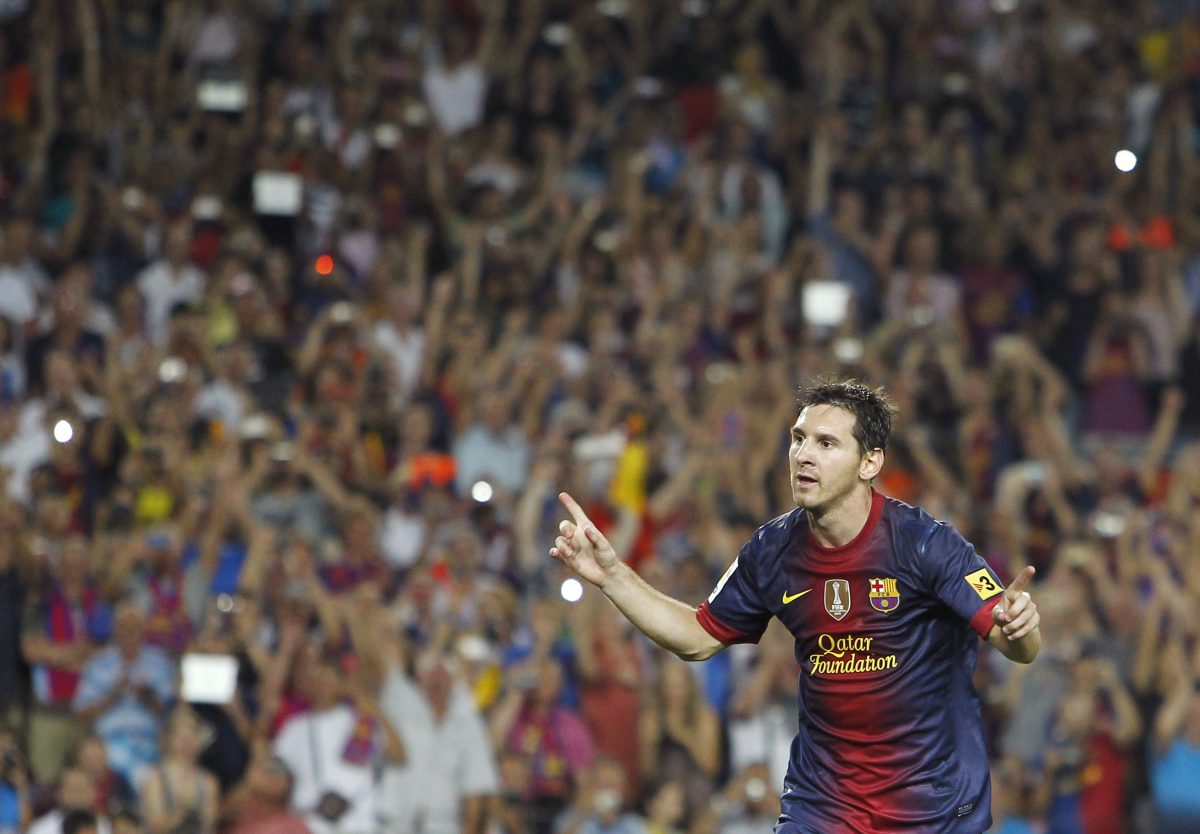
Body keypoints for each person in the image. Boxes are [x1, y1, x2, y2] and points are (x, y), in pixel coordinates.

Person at [550, 378, 1042, 833]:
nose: (804, 455)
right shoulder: (772, 550)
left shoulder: (926, 544)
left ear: (869, 462)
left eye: (826, 444)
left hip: (930, 807)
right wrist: (612, 576)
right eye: (798, 439)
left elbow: (1016, 644)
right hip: (822, 806)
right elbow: (698, 637)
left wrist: (1022, 628)